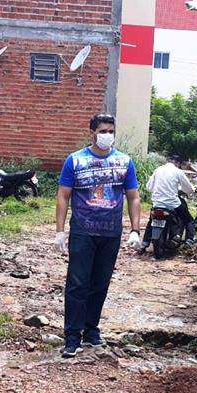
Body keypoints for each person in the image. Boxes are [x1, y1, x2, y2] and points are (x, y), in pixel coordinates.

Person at [55, 113, 141, 358]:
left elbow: (133, 197)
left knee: (100, 283)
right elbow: (63, 195)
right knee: (77, 283)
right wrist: (60, 231)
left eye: (111, 131)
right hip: (83, 231)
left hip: (110, 232)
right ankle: (72, 336)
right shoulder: (75, 160)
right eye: (103, 131)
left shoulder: (124, 162)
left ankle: (91, 329)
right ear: (92, 132)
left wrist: (135, 229)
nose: (107, 136)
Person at [142, 155, 196, 248]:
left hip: (157, 203)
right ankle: (189, 240)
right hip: (172, 204)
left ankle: (144, 243)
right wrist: (191, 189)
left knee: (151, 221)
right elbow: (188, 189)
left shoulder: (158, 170)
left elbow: (149, 187)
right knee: (188, 219)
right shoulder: (178, 172)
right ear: (178, 163)